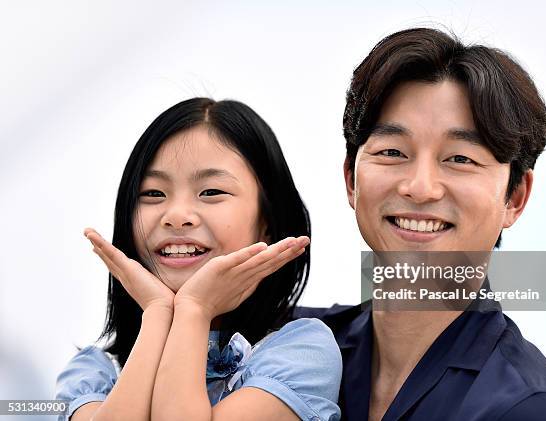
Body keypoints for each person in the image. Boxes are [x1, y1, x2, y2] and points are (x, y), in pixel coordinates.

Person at [295, 28, 546, 420]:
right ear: (351, 178)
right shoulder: (287, 349)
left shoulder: (526, 406)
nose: (420, 187)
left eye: (460, 159)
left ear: (515, 197)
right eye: (393, 151)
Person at [55, 98, 342, 421]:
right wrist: (159, 313)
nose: (176, 217)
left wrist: (194, 309)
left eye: (211, 192)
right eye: (153, 194)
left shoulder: (300, 352)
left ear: (267, 223)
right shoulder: (91, 373)